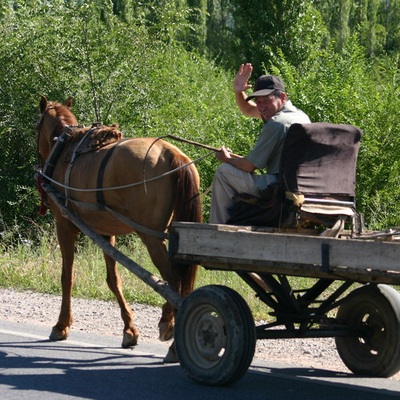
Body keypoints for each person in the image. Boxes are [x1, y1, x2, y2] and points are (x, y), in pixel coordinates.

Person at [209, 63, 311, 224]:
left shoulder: (277, 123)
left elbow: (249, 166)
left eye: (266, 101)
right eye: (259, 101)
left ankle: (219, 229)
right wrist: (239, 91)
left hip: (279, 187)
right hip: (301, 185)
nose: (261, 107)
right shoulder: (300, 116)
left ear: (282, 97)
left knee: (224, 172)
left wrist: (226, 158)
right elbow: (248, 110)